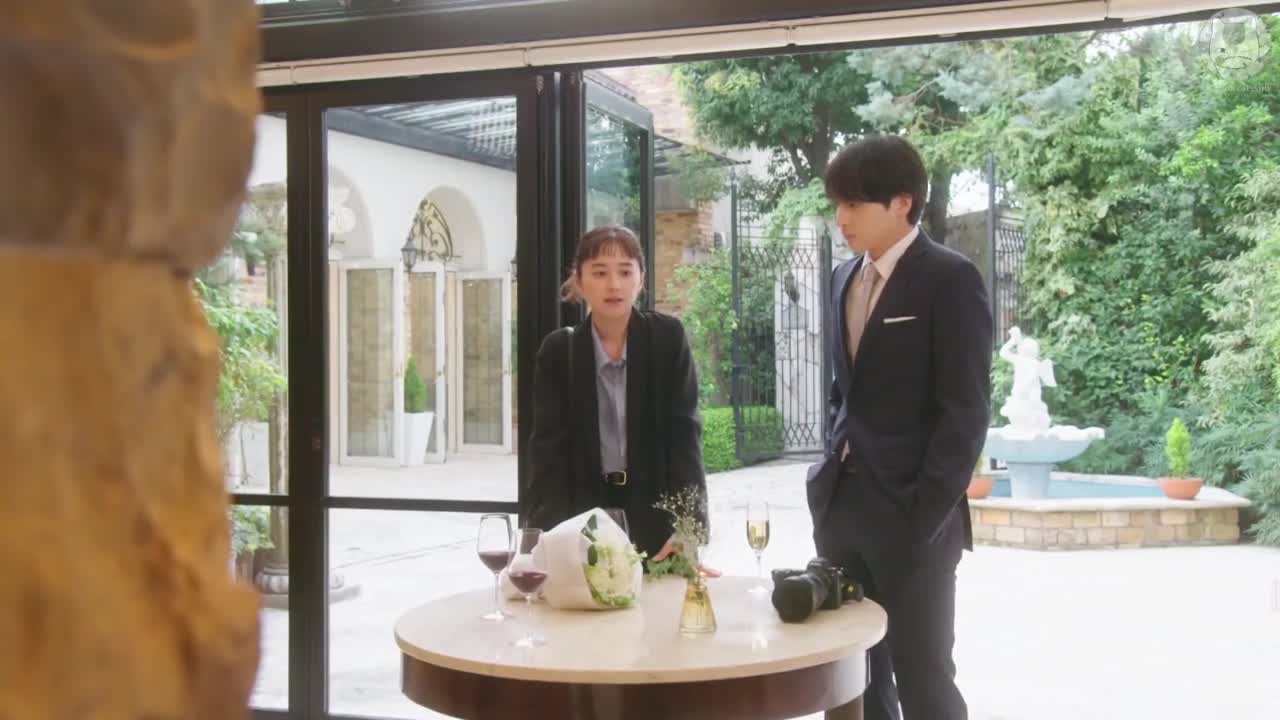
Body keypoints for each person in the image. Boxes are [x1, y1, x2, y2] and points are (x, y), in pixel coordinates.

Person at [806, 135, 992, 720]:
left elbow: (965, 412)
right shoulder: (841, 278)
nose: (841, 219)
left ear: (902, 204)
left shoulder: (950, 278)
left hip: (914, 519)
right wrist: (829, 475)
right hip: (842, 512)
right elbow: (842, 393)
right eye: (837, 204)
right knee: (851, 684)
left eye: (854, 204)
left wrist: (924, 514)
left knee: (925, 682)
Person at [524, 225, 709, 563]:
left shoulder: (667, 339)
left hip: (658, 524)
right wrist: (544, 539)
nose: (613, 284)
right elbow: (547, 453)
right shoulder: (559, 351)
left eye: (625, 272)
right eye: (599, 272)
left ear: (641, 279)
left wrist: (688, 529)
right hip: (579, 524)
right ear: (579, 281)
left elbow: (684, 436)